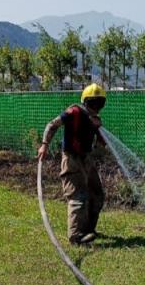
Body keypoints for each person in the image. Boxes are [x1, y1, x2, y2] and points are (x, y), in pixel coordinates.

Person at [38, 83, 107, 245]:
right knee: (78, 197)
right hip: (71, 160)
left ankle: (89, 230)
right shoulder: (73, 112)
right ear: (85, 102)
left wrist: (100, 141)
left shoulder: (95, 121)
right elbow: (52, 125)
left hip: (86, 160)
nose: (96, 107)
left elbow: (99, 147)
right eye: (93, 103)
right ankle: (75, 236)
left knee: (97, 194)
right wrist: (44, 144)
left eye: (99, 103)